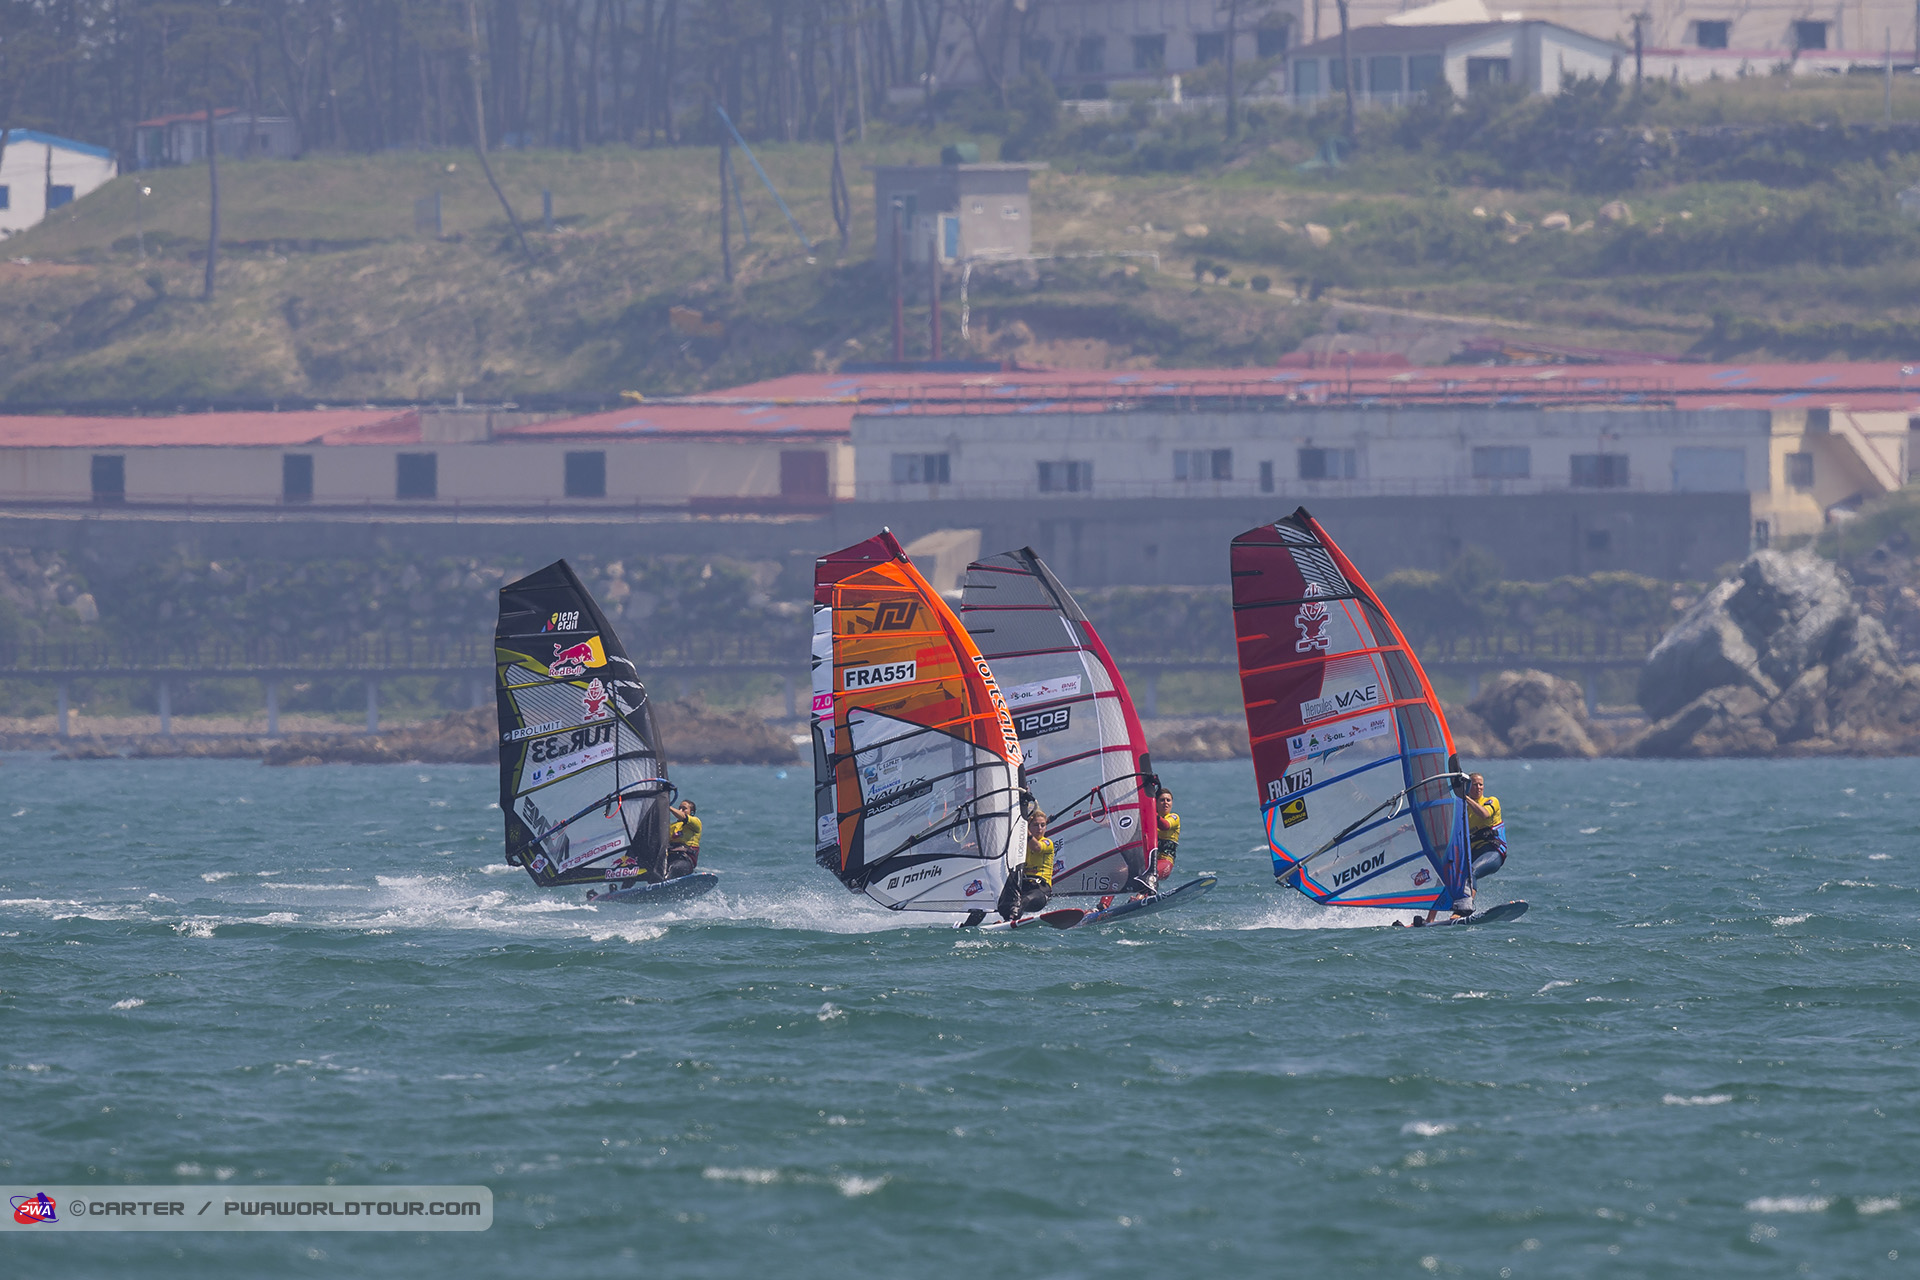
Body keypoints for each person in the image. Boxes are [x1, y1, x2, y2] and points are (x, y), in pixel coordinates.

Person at [997, 809, 1055, 921]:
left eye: (1043, 825)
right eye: (1036, 825)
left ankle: (1011, 920)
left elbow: (1037, 847)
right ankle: (970, 923)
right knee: (1002, 901)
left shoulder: (1047, 843)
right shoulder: (1019, 844)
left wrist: (1023, 828)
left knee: (1023, 901)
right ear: (1029, 826)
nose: (1039, 829)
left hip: (1040, 891)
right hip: (1023, 887)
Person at [667, 799, 702, 879]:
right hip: (669, 858)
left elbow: (683, 816)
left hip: (685, 860)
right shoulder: (672, 826)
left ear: (692, 812)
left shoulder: (696, 822)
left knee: (673, 868)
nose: (680, 810)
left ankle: (665, 881)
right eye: (679, 808)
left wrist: (668, 807)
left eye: (684, 808)